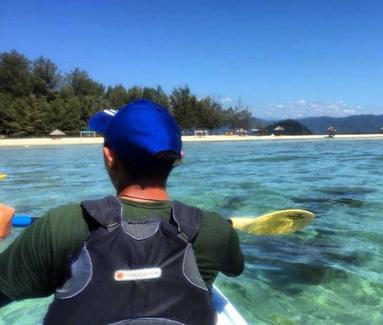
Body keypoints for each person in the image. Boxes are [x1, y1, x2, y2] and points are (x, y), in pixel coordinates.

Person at [0, 99, 244, 324]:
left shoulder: (61, 225)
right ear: (179, 158)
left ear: (108, 156)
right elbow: (235, 269)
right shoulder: (214, 230)